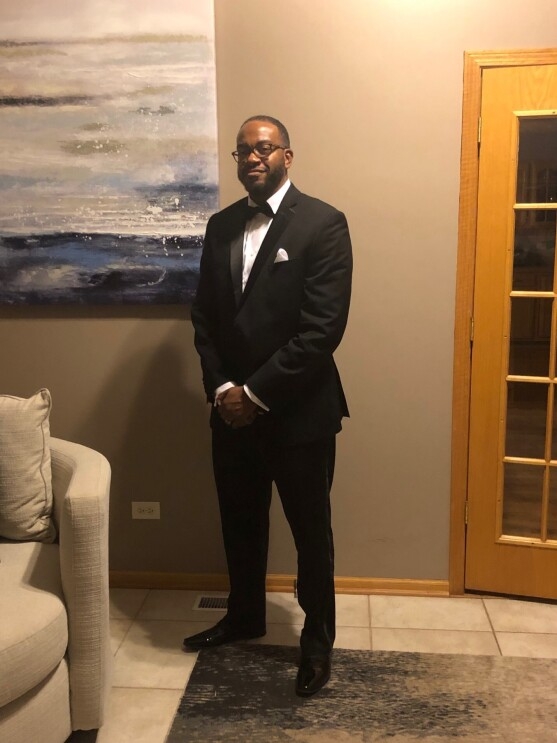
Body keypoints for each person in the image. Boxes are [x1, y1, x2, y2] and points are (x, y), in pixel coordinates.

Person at [184, 115, 352, 697]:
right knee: (240, 522)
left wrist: (254, 394)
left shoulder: (325, 224)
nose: (252, 157)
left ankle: (317, 640)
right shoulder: (221, 224)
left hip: (299, 413)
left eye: (264, 147)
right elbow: (204, 318)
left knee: (311, 534)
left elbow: (321, 330)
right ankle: (245, 615)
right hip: (228, 408)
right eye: (242, 151)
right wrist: (223, 388)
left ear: (287, 155)